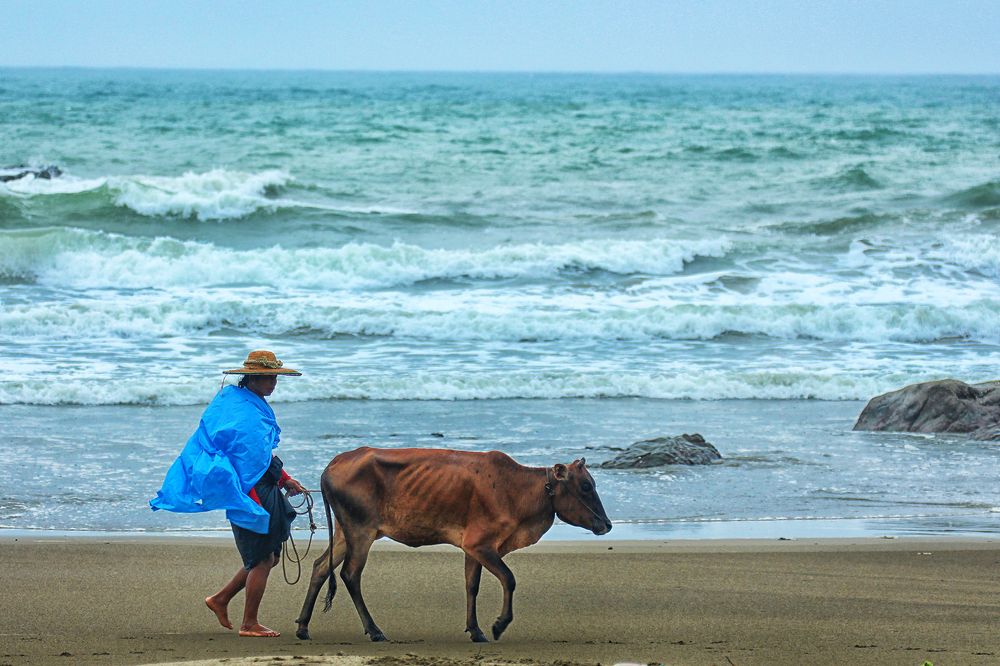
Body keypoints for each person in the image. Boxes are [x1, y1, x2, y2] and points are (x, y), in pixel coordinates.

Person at [150, 350, 306, 637]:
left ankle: (220, 599)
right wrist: (267, 488)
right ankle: (249, 624)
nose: (273, 383)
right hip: (250, 491)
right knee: (262, 559)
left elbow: (259, 455)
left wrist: (285, 479)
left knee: (268, 557)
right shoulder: (244, 408)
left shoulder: (244, 402)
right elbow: (245, 460)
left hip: (260, 485)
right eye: (268, 378)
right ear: (253, 378)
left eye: (274, 378)